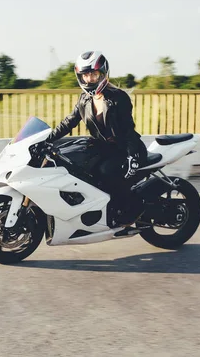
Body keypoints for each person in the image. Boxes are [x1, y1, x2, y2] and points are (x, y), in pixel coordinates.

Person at [43, 50, 147, 228]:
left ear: (103, 74)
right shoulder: (84, 99)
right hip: (103, 147)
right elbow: (69, 122)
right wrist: (46, 139)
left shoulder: (119, 98)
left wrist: (132, 157)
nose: (89, 79)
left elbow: (129, 130)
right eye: (85, 75)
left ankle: (127, 213)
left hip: (125, 149)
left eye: (93, 74)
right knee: (74, 163)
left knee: (106, 171)